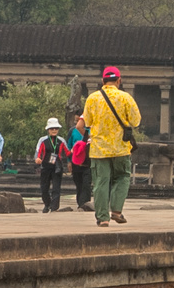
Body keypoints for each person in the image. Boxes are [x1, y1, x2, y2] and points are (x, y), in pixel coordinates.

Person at [83, 66, 141, 226]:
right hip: (121, 148)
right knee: (122, 177)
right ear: (119, 80)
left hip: (99, 149)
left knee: (101, 182)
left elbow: (87, 122)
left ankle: (102, 218)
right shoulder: (125, 97)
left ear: (103, 81)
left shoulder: (92, 98)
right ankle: (116, 211)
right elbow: (136, 121)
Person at [35, 118, 69, 213]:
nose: (54, 130)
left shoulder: (61, 140)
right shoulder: (43, 140)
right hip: (45, 166)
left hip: (57, 167)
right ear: (48, 130)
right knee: (44, 188)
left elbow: (67, 152)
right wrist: (37, 159)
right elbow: (38, 151)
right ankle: (47, 204)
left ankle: (54, 207)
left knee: (56, 187)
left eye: (56, 128)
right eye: (52, 128)